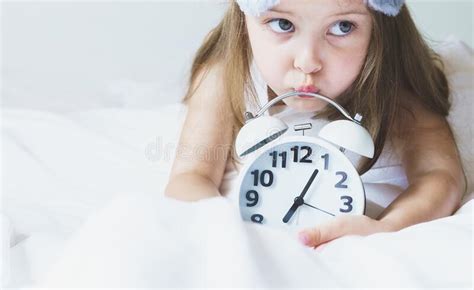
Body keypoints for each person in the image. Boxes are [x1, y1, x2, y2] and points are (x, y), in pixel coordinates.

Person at [164, 0, 466, 248]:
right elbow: (190, 176)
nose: (308, 62)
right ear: (244, 19)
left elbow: (439, 175)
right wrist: (229, 237)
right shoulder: (226, 75)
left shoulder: (391, 82)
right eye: (283, 24)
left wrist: (385, 227)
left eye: (342, 27)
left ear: (379, 26)